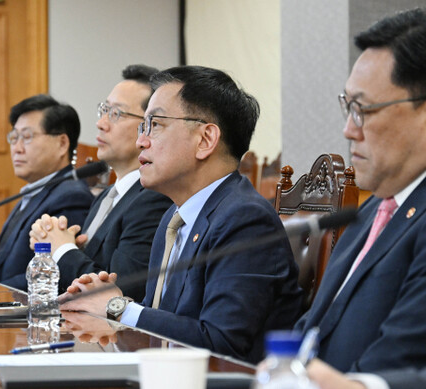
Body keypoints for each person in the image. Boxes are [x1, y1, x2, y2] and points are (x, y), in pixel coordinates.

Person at [59, 66, 303, 362]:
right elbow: (159, 319)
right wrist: (110, 302)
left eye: (156, 125)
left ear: (205, 140)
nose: (141, 141)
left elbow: (221, 342)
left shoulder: (245, 219)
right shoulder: (174, 220)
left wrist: (117, 307)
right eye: (143, 127)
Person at [294, 7, 426, 373]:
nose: (349, 130)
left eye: (363, 109)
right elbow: (311, 332)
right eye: (347, 107)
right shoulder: (368, 212)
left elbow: (397, 361)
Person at [29, 65, 172, 302]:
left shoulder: (154, 199)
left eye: (116, 113)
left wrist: (63, 251)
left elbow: (120, 295)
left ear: (149, 126)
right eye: (104, 110)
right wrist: (53, 243)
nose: (101, 123)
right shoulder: (106, 197)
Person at [0, 94, 93, 291]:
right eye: (14, 137)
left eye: (27, 137)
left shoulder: (71, 197)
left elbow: (52, 273)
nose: (16, 149)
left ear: (62, 143)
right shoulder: (35, 191)